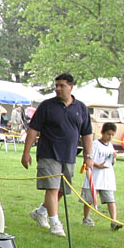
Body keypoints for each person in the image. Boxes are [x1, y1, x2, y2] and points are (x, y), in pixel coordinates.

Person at [22, 73, 94, 237]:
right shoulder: (47, 106)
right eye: (56, 86)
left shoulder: (81, 108)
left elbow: (87, 134)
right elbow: (33, 129)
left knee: (63, 190)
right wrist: (26, 153)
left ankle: (41, 212)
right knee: (52, 189)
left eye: (62, 86)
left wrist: (89, 156)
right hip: (48, 153)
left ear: (71, 87)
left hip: (69, 155)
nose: (58, 89)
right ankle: (55, 224)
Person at [82, 122, 122, 230]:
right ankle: (86, 217)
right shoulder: (95, 144)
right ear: (102, 133)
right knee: (89, 198)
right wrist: (97, 165)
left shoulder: (111, 146)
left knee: (110, 198)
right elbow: (89, 158)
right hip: (95, 175)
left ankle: (114, 220)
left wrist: (113, 158)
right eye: (108, 134)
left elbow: (111, 162)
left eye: (112, 135)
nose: (110, 137)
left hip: (106, 177)